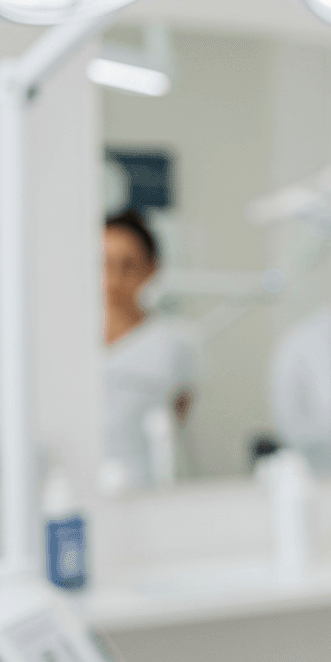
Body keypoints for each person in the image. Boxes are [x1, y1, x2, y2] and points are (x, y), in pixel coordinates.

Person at [102, 209, 196, 489]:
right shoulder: (65, 340)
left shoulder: (174, 345)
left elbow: (180, 420)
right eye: (104, 264)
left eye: (128, 265)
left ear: (151, 267)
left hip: (144, 487)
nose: (114, 279)